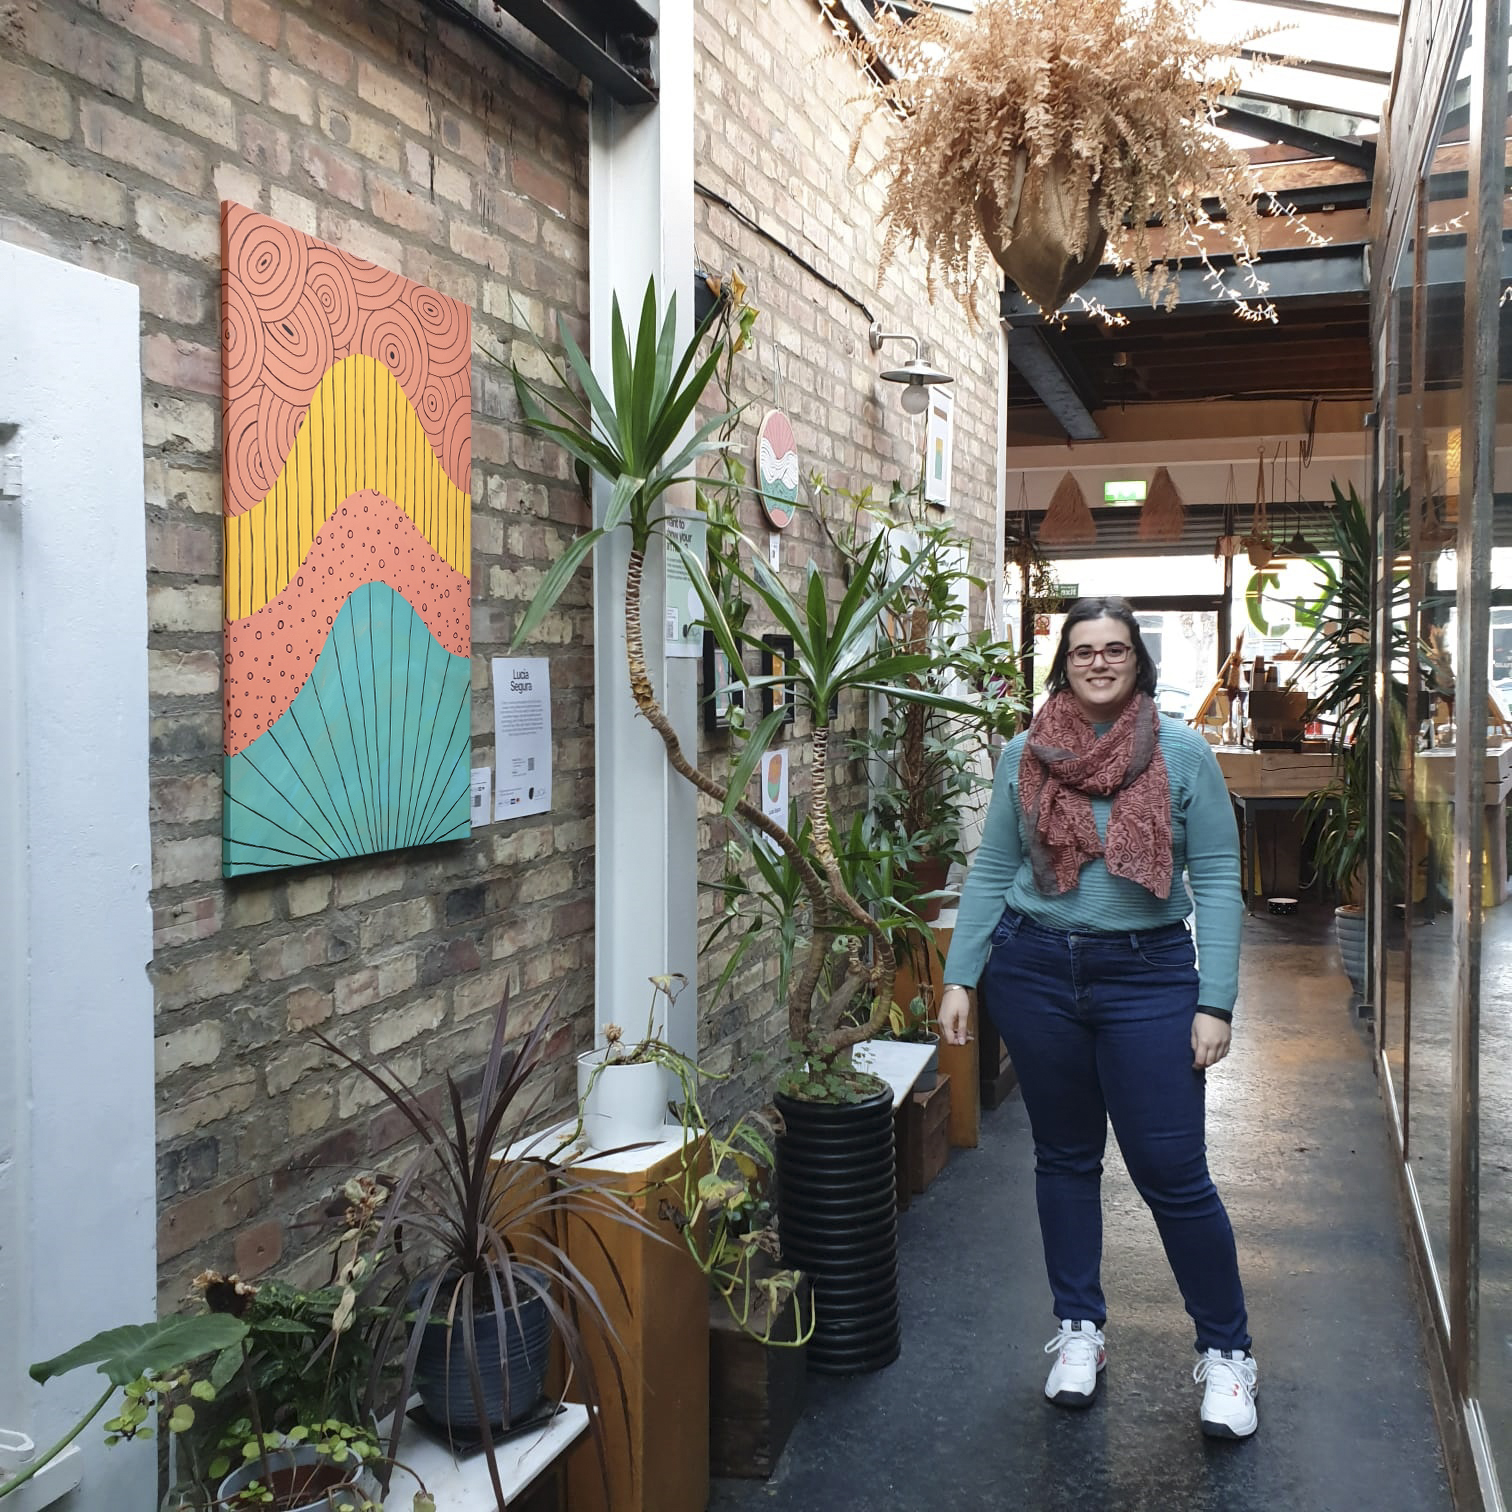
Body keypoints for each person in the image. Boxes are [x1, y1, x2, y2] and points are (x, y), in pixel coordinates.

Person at [938, 597, 1256, 1439]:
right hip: (1034, 968)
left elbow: (1220, 877)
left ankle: (1228, 1355)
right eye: (1085, 650)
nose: (1101, 662)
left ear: (1137, 662)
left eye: (1116, 649)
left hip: (1148, 978)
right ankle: (1080, 1330)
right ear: (1063, 663)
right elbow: (993, 867)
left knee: (1173, 1172)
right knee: (1065, 1158)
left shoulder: (1183, 755)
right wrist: (961, 977)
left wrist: (1214, 1000)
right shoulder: (1025, 754)